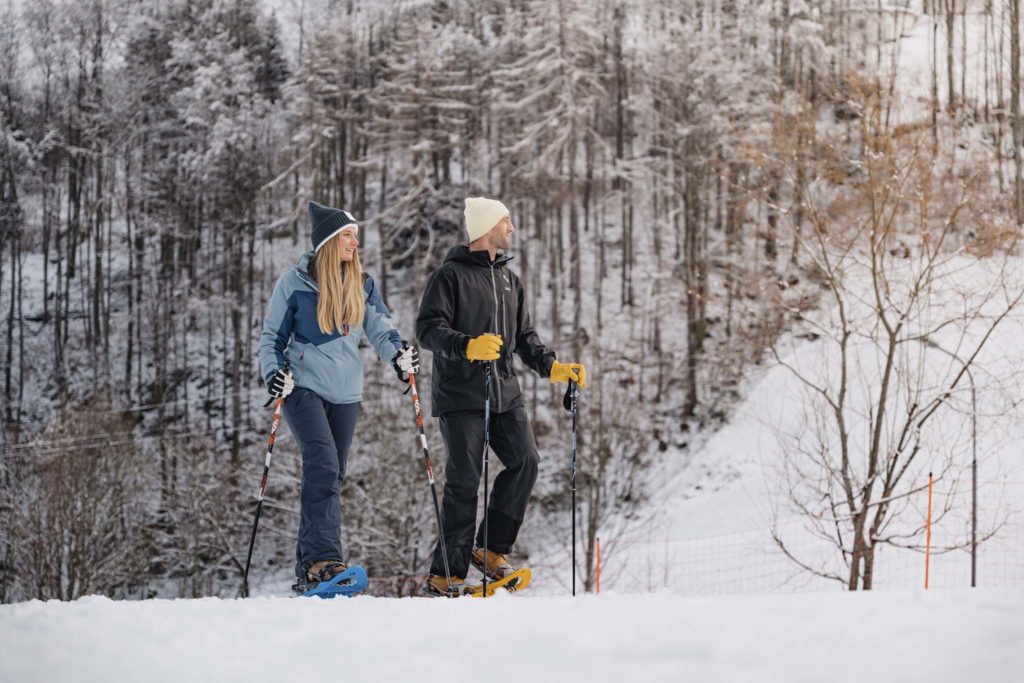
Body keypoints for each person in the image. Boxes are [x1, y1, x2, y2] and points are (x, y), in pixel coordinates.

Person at [416, 196, 588, 595]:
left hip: (505, 393)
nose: (512, 228)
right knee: (465, 480)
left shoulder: (510, 280)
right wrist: (466, 345)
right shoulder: (449, 276)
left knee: (525, 461)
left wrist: (554, 368)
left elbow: (525, 339)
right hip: (461, 395)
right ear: (487, 226)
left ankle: (491, 549)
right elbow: (427, 329)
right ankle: (447, 573)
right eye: (506, 220)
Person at [259, 201, 418, 591]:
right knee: (324, 465)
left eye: (355, 236)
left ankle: (309, 571)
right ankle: (323, 561)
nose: (353, 242)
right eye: (347, 235)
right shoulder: (293, 284)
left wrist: (398, 355)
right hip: (303, 388)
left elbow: (382, 328)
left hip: (347, 393)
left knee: (330, 475)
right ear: (328, 241)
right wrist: (274, 375)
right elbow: (271, 340)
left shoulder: (361, 283)